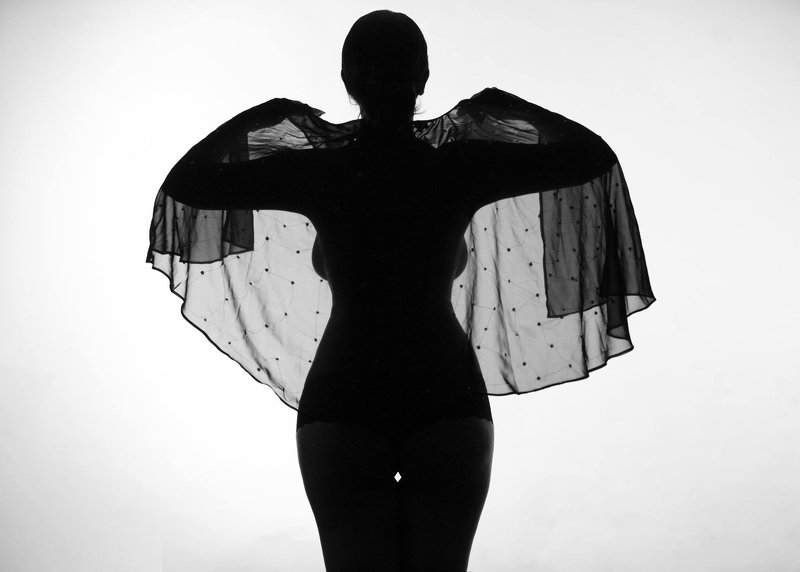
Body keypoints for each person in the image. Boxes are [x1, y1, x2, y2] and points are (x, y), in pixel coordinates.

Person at [148, 9, 653, 572]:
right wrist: (507, 105)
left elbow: (187, 183)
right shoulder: (458, 167)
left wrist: (257, 117)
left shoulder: (321, 172)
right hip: (444, 390)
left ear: (347, 80)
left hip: (345, 392)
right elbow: (590, 155)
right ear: (423, 77)